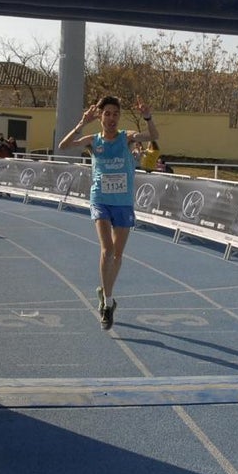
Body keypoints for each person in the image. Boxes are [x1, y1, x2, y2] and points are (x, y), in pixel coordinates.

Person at [58, 96, 158, 329]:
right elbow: (63, 146)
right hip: (100, 200)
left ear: (119, 117)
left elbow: (153, 136)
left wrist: (147, 117)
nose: (112, 118)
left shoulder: (127, 137)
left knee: (118, 255)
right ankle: (108, 302)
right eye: (107, 113)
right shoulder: (93, 140)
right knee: (107, 250)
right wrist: (82, 123)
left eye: (115, 114)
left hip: (123, 202)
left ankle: (105, 293)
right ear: (100, 117)